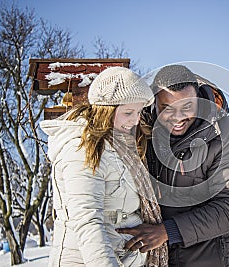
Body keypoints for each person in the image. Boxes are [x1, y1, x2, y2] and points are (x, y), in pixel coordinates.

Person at [117, 65, 229, 267]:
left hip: (204, 258)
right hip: (144, 258)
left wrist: (167, 231)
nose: (178, 117)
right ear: (154, 103)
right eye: (167, 108)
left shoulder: (226, 136)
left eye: (187, 107)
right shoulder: (137, 130)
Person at [40, 67, 168, 267]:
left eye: (139, 111)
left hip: (124, 257)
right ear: (105, 110)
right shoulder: (81, 148)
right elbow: (88, 222)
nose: (135, 120)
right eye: (128, 112)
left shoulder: (121, 146)